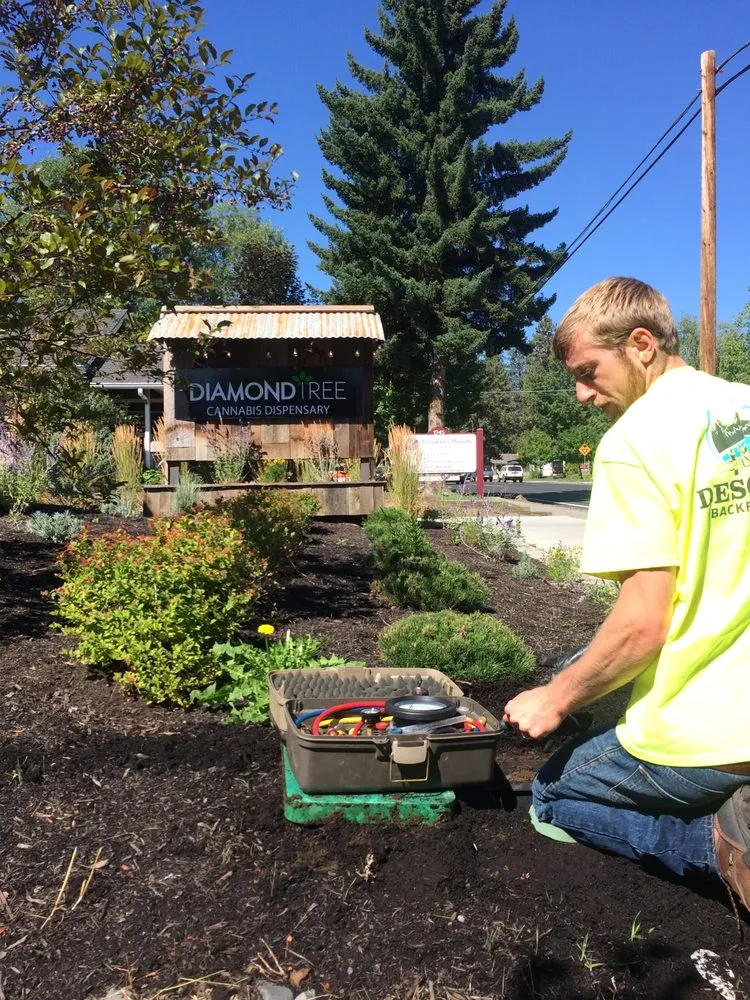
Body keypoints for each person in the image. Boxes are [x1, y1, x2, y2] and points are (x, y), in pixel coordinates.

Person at [503, 276, 750, 910]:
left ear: (641, 344)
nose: (583, 395)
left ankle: (722, 850)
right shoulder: (742, 406)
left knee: (555, 793)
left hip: (704, 741)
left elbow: (645, 625)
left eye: (588, 371)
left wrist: (556, 699)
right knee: (582, 671)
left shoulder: (634, 442)